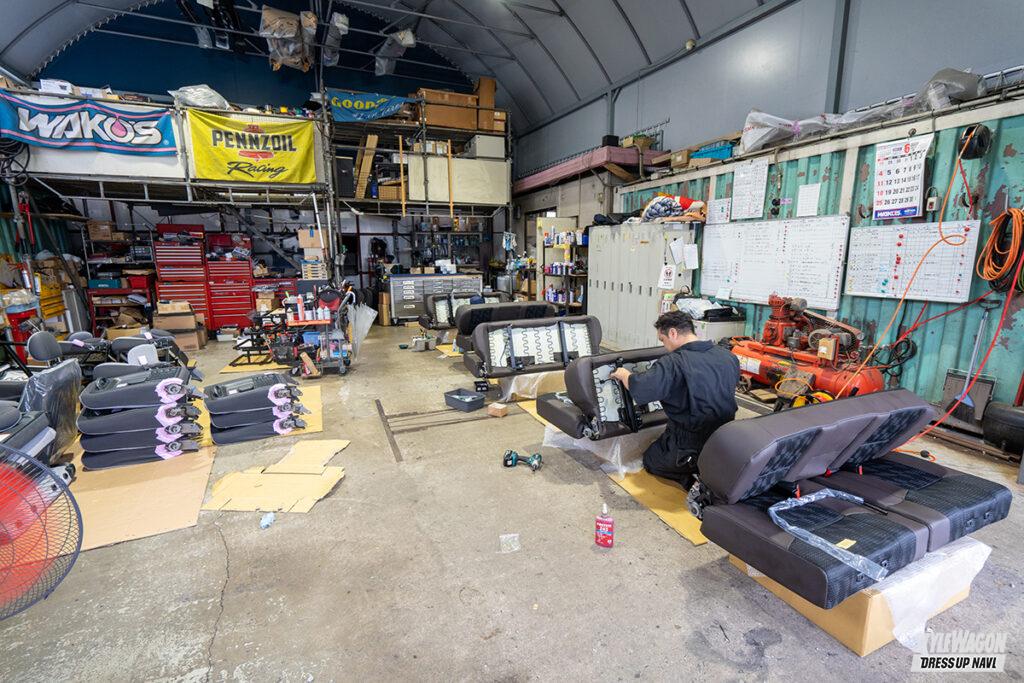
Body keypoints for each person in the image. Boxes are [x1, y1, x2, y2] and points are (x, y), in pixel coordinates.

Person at [610, 311, 740, 489]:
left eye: (663, 340)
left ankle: (692, 479)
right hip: (724, 439)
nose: (664, 346)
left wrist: (625, 375)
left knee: (651, 460)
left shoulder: (673, 362)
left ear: (672, 333)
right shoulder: (728, 357)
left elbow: (641, 387)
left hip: (690, 443)